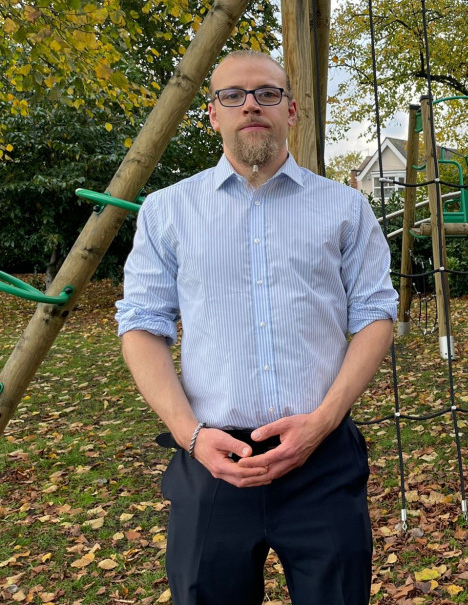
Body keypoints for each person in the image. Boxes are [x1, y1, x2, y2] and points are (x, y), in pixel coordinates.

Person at [116, 50, 397, 605]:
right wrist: (189, 435)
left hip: (322, 459)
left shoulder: (344, 209)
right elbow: (142, 326)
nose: (251, 105)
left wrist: (321, 423)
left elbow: (374, 317)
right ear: (213, 115)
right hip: (211, 460)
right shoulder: (167, 211)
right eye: (232, 96)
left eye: (267, 94)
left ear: (291, 110)